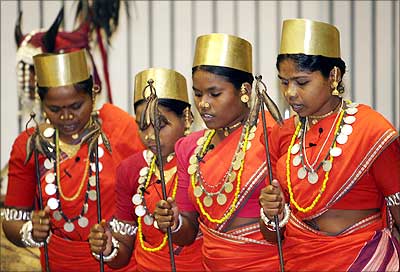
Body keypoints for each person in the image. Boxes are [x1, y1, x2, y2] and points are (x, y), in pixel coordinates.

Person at [259, 18, 400, 271]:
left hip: (363, 259)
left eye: (302, 82)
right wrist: (272, 213)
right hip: (299, 259)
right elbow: (274, 237)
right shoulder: (284, 133)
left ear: (333, 75)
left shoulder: (371, 130)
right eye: (284, 82)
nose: (290, 93)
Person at [2, 49, 144, 271]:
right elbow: (12, 219)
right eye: (55, 109)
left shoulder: (120, 130)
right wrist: (30, 231)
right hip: (58, 263)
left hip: (119, 262)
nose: (66, 116)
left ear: (93, 94)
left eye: (76, 106)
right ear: (42, 102)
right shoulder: (31, 145)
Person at [154, 33, 280, 271]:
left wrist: (276, 214)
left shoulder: (273, 137)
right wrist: (173, 222)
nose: (203, 104)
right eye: (198, 94)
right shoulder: (189, 147)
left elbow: (286, 230)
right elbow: (188, 233)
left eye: (215, 94)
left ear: (245, 89)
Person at [88, 67, 203, 271]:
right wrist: (108, 249)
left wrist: (176, 224)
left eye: (160, 125)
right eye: (143, 127)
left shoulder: (202, 159)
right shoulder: (130, 169)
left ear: (186, 118)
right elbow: (124, 246)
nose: (150, 136)